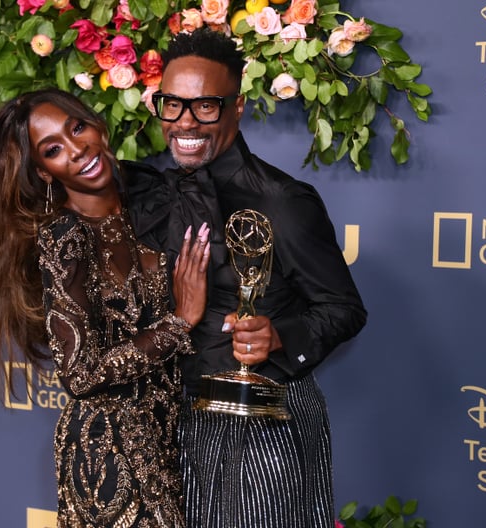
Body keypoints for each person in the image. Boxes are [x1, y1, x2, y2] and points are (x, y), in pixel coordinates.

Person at [126, 28, 368, 527]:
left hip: (261, 426)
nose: (185, 122)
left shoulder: (282, 201)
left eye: (205, 107)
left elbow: (343, 309)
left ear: (237, 108)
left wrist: (279, 335)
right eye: (173, 105)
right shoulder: (145, 192)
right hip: (170, 423)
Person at [0, 88, 211, 527]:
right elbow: (79, 375)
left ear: (97, 125)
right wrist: (180, 322)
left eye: (77, 128)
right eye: (53, 149)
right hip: (108, 451)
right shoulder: (64, 238)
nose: (76, 148)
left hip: (172, 436)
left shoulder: (147, 204)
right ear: (44, 172)